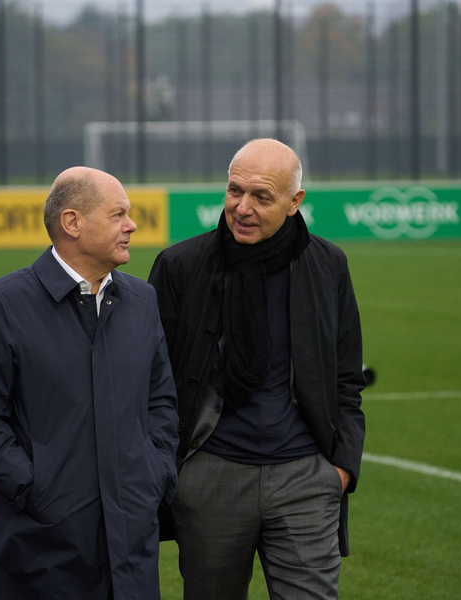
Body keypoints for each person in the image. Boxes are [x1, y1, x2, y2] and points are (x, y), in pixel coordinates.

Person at [148, 138, 366, 600]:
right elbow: (152, 384)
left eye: (261, 197)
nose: (242, 208)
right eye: (234, 191)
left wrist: (341, 468)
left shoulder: (328, 265)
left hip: (306, 479)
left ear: (294, 202)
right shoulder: (179, 267)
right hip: (210, 480)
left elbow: (346, 376)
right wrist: (177, 473)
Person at [0, 167, 179, 600]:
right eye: (118, 215)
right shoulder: (3, 303)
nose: (132, 225)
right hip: (40, 551)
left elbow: (161, 400)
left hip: (131, 546)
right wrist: (37, 490)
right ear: (72, 222)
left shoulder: (142, 300)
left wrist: (155, 475)